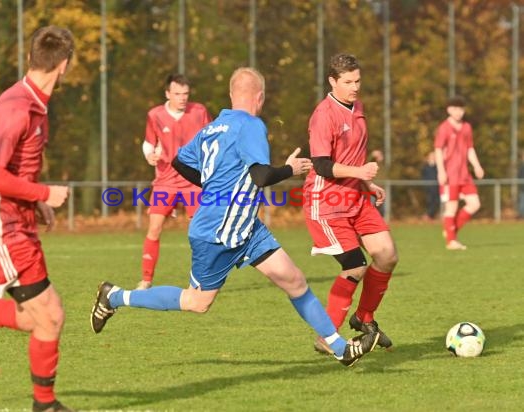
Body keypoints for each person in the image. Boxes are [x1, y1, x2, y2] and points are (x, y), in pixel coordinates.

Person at [91, 67, 380, 367]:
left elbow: (179, 161)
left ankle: (339, 348)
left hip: (246, 227)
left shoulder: (213, 127)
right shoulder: (252, 125)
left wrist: (215, 184)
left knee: (294, 281)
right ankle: (115, 297)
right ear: (260, 97)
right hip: (218, 231)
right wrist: (289, 170)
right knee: (197, 302)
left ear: (231, 95)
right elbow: (261, 176)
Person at [0, 26, 74, 412]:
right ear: (65, 66)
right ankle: (45, 406)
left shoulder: (34, 104)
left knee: (34, 319)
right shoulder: (16, 107)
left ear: (31, 59)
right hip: (1, 228)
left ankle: (45, 404)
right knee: (50, 316)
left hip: (16, 221)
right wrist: (44, 194)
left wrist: (33, 201)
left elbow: (11, 169)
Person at [302, 53, 398, 353]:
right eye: (347, 82)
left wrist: (366, 183)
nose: (354, 87)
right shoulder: (323, 114)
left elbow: (352, 152)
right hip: (326, 201)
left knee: (386, 255)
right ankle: (326, 337)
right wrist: (359, 172)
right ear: (332, 81)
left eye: (357, 80)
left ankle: (363, 317)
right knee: (354, 265)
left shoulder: (358, 107)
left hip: (355, 196)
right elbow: (320, 164)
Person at [138, 74, 211, 290]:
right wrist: (149, 155)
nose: (182, 98)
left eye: (185, 94)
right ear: (167, 94)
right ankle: (146, 280)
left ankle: (201, 280)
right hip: (165, 181)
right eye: (177, 94)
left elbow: (213, 137)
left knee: (199, 230)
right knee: (155, 228)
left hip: (193, 180)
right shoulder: (155, 115)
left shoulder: (199, 112)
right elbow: (148, 143)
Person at [434, 96, 484, 250]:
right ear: (449, 110)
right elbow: (438, 150)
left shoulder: (467, 127)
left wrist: (477, 166)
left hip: (464, 175)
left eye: (461, 109)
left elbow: (469, 149)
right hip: (450, 175)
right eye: (455, 109)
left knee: (475, 204)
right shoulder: (444, 128)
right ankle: (451, 241)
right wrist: (441, 171)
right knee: (452, 207)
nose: (458, 112)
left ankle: (451, 230)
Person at [421, 151, 440, 220]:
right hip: (429, 188)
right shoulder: (425, 167)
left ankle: (432, 215)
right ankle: (429, 215)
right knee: (430, 201)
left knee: (437, 202)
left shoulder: (438, 166)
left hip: (437, 188)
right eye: (432, 155)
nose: (433, 157)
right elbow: (423, 177)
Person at [369, 149, 386, 217]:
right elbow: (369, 160)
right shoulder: (372, 163)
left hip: (382, 187)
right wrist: (373, 155)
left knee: (382, 207)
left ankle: (382, 219)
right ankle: (370, 219)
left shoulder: (383, 165)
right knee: (371, 206)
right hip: (372, 188)